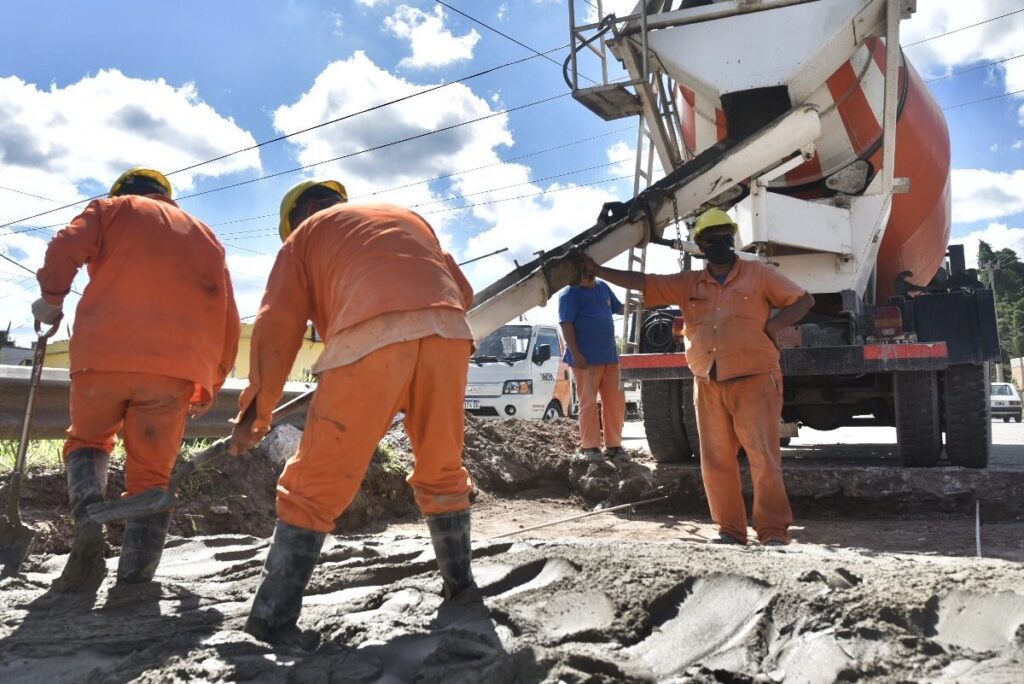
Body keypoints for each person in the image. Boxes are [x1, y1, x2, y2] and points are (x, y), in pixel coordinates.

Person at [229, 180, 477, 647]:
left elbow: (277, 325)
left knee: (316, 483)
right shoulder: (403, 216)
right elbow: (462, 290)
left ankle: (271, 621)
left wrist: (257, 413)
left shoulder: (303, 240)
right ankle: (461, 590)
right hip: (449, 332)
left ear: (295, 220)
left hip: (368, 334)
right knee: (442, 467)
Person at [33, 168, 240, 591]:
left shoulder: (110, 210)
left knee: (88, 442)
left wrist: (51, 301)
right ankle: (134, 580)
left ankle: (89, 533)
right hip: (173, 373)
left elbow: (64, 246)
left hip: (102, 359)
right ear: (167, 196)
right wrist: (212, 380)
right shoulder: (205, 235)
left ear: (123, 191)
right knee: (152, 478)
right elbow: (228, 316)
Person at [582, 208, 814, 546]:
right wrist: (597, 270)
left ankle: (773, 531)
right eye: (712, 240)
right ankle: (730, 531)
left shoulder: (759, 275)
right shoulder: (689, 283)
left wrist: (771, 326)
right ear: (701, 246)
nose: (720, 244)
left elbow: (802, 300)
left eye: (725, 238)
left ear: (733, 240)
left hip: (755, 378)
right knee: (717, 461)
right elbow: (646, 282)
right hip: (708, 380)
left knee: (763, 456)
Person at [559, 275, 627, 461]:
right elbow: (566, 325)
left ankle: (614, 446)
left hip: (609, 358)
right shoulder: (570, 294)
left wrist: (637, 305)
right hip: (586, 360)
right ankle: (590, 447)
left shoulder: (603, 286)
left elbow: (618, 307)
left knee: (615, 402)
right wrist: (576, 353)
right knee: (588, 403)